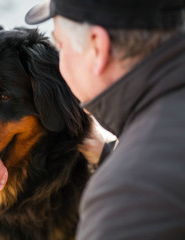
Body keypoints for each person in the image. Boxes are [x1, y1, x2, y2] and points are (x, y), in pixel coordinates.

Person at [25, 0, 185, 239]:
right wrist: (109, 155)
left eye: (59, 45)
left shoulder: (125, 199)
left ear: (97, 47)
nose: (59, 64)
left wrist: (125, 168)